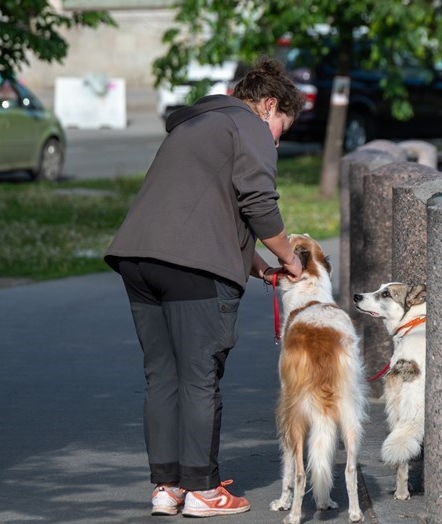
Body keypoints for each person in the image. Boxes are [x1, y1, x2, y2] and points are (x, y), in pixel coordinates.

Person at [104, 56, 304, 518]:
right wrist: (289, 258)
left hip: (138, 258)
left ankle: (167, 486)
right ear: (268, 105)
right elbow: (259, 203)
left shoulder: (196, 124)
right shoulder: (250, 128)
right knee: (199, 377)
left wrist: (256, 265)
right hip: (193, 270)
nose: (277, 140)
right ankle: (203, 489)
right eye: (282, 129)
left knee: (162, 376)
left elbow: (204, 208)